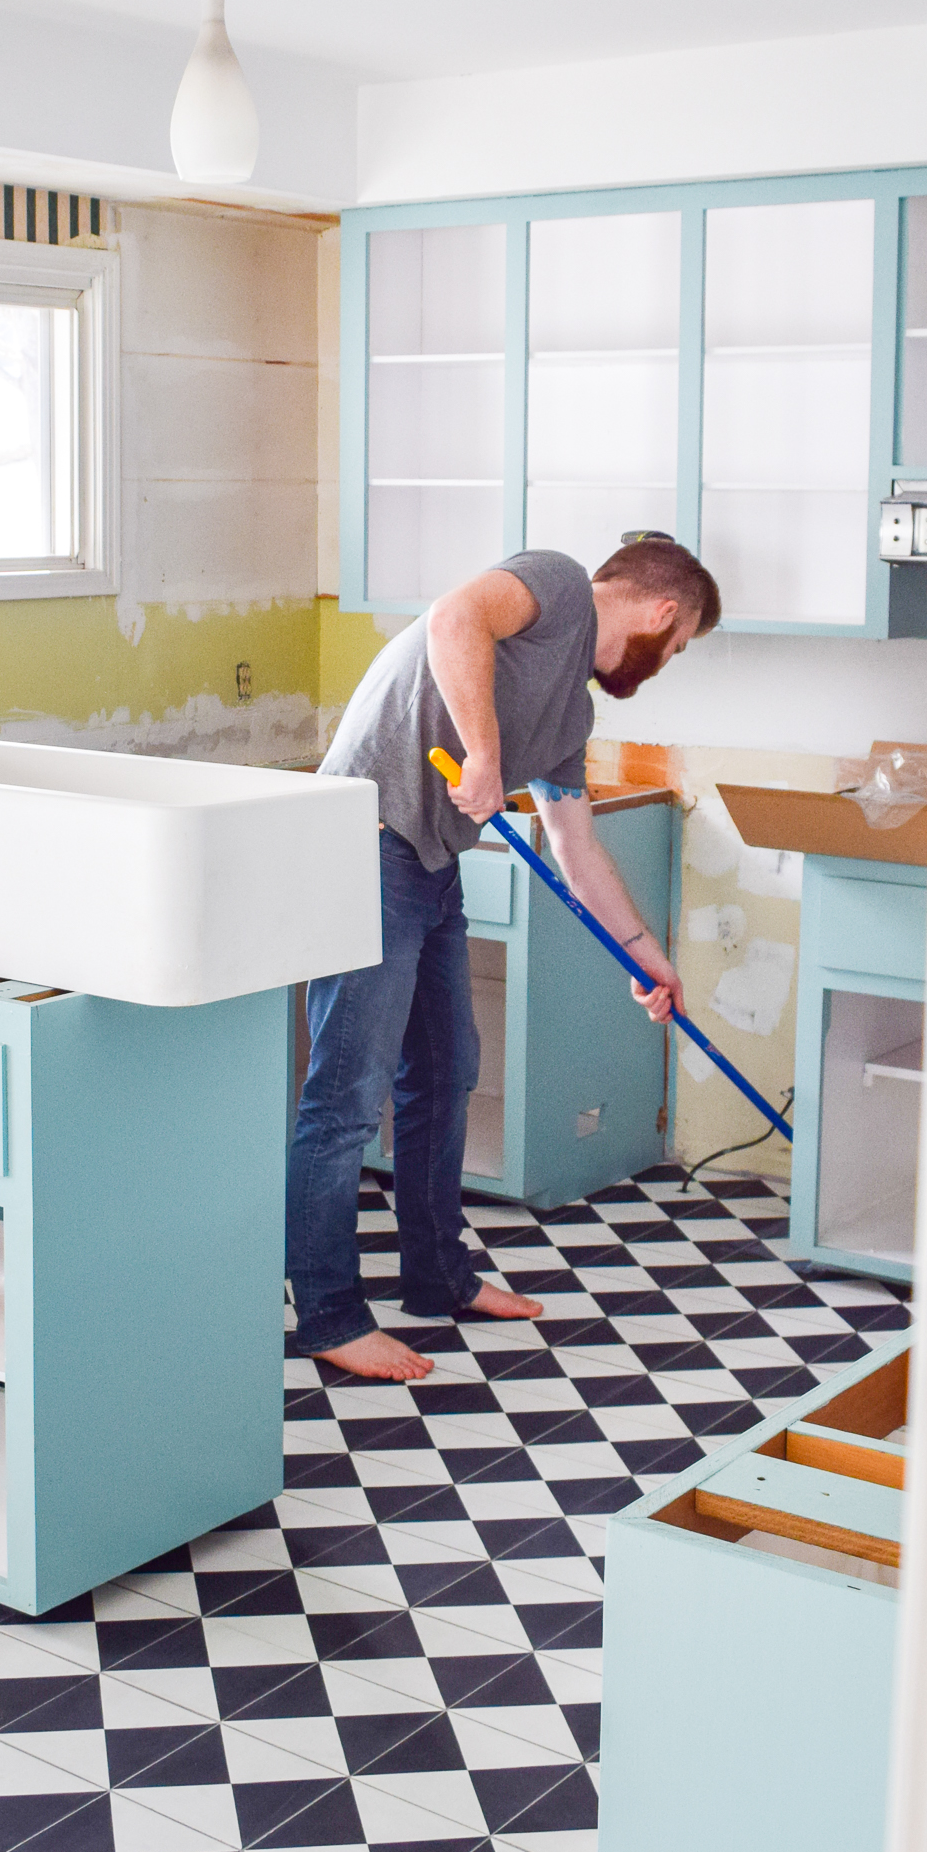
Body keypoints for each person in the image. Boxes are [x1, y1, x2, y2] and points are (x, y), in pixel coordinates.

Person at [288, 536, 721, 1381]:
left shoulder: (572, 715)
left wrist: (643, 955)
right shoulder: (558, 585)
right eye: (675, 649)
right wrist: (485, 760)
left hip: (430, 861)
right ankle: (330, 1317)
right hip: (364, 844)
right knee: (346, 1098)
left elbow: (575, 845)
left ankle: (438, 1278)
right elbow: (455, 619)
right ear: (663, 613)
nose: (664, 664)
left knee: (447, 1072)